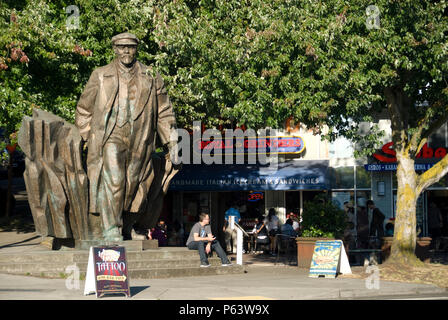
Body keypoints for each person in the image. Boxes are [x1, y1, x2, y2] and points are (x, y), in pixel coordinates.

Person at [75, 32, 178, 241]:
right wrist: (89, 136)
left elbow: (164, 111)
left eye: (130, 47)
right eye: (122, 47)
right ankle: (111, 227)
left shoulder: (151, 76)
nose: (126, 51)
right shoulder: (101, 75)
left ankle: (126, 225)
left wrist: (172, 140)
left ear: (136, 49)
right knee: (115, 180)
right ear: (114, 49)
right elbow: (84, 109)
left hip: (140, 138)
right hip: (110, 136)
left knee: (136, 183)